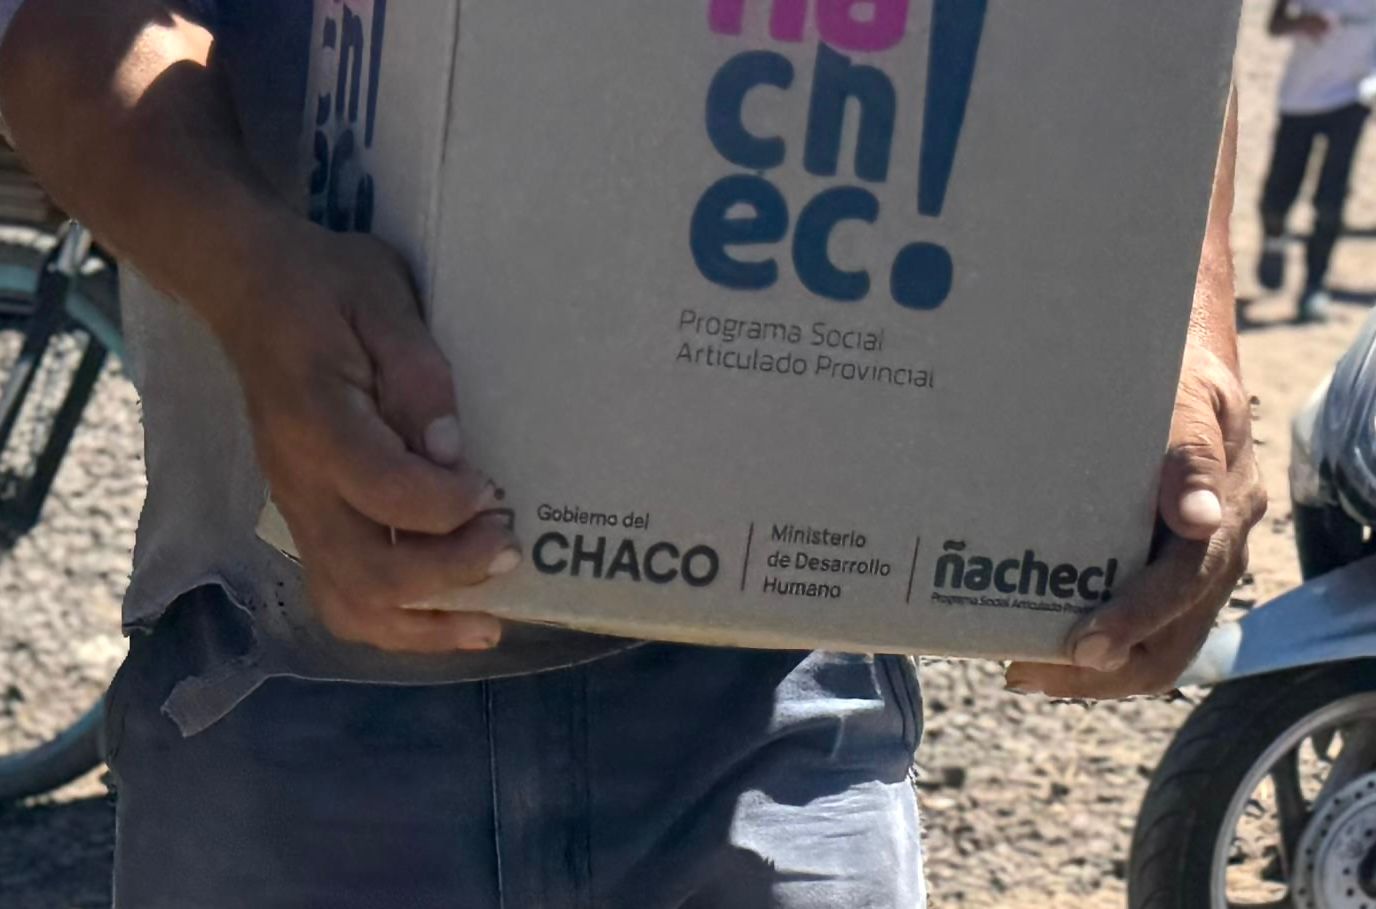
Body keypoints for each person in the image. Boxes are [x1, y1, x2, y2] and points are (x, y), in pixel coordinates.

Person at [0, 1, 1265, 906]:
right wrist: (249, 270)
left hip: (775, 684)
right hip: (284, 688)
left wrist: (1182, 337)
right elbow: (67, 28)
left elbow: (1138, 36)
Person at [1258, 0, 1376, 322]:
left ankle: (1314, 287)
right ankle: (1274, 238)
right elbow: (1275, 24)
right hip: (1300, 99)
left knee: (1330, 201)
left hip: (1353, 97)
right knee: (1278, 196)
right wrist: (1302, 23)